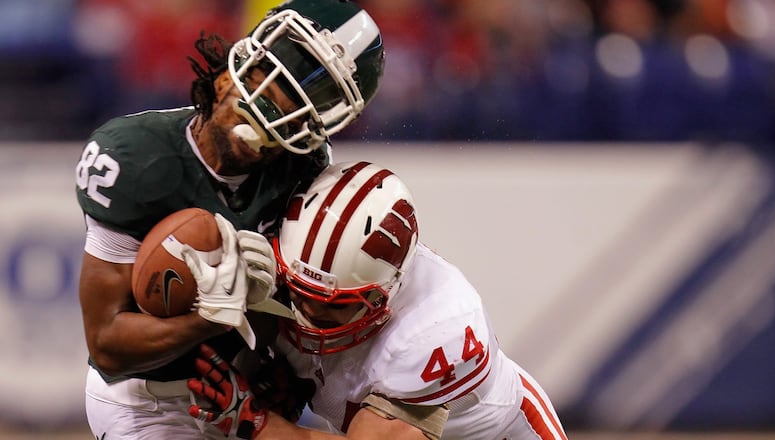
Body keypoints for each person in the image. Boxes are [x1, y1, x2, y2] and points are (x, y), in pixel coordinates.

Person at [74, 0, 385, 438]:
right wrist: (215, 317)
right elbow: (107, 345)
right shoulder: (134, 158)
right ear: (223, 81)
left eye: (284, 123)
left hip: (240, 394)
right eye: (254, 104)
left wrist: (282, 358)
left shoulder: (305, 170)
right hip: (145, 399)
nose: (262, 132)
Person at [188, 161, 569, 439]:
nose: (310, 313)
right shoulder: (286, 267)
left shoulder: (436, 327)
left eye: (335, 305)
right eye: (301, 293)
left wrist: (260, 425)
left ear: (388, 290)